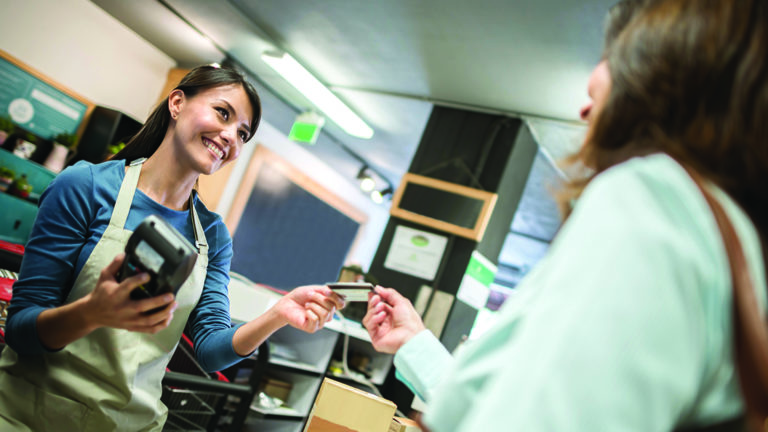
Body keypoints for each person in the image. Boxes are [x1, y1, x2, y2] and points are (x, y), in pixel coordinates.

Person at [363, 0, 768, 430]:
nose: (584, 109)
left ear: (654, 72)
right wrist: (415, 343)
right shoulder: (731, 242)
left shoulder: (650, 201)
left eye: (609, 60)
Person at [0, 65, 345, 431]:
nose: (231, 136)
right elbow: (22, 331)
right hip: (30, 416)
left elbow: (211, 350)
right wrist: (91, 312)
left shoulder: (212, 235)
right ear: (177, 102)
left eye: (243, 133)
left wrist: (277, 314)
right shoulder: (85, 186)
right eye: (223, 113)